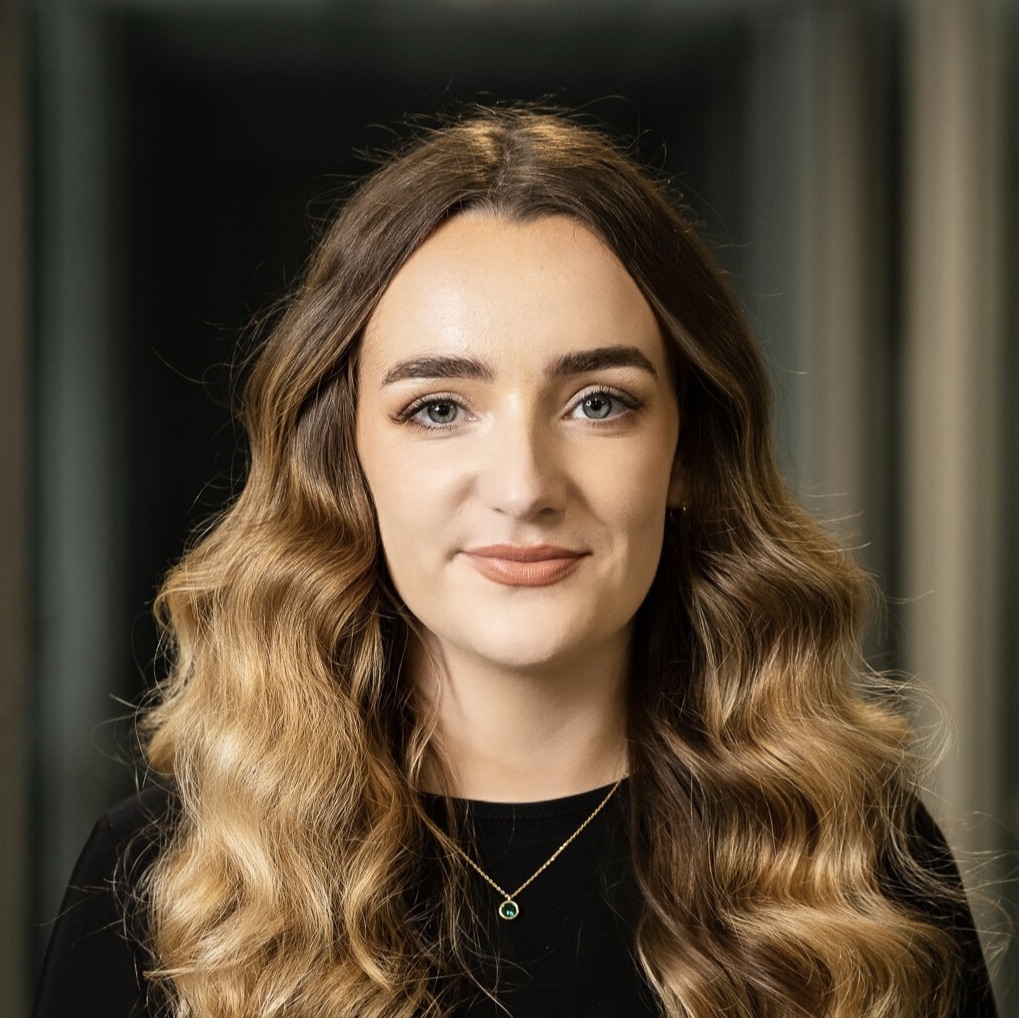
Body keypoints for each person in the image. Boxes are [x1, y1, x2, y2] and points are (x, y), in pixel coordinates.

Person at [35, 106, 998, 1018]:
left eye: (597, 402)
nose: (524, 485)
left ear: (689, 454)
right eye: (439, 408)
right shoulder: (175, 877)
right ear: (345, 462)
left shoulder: (848, 862)